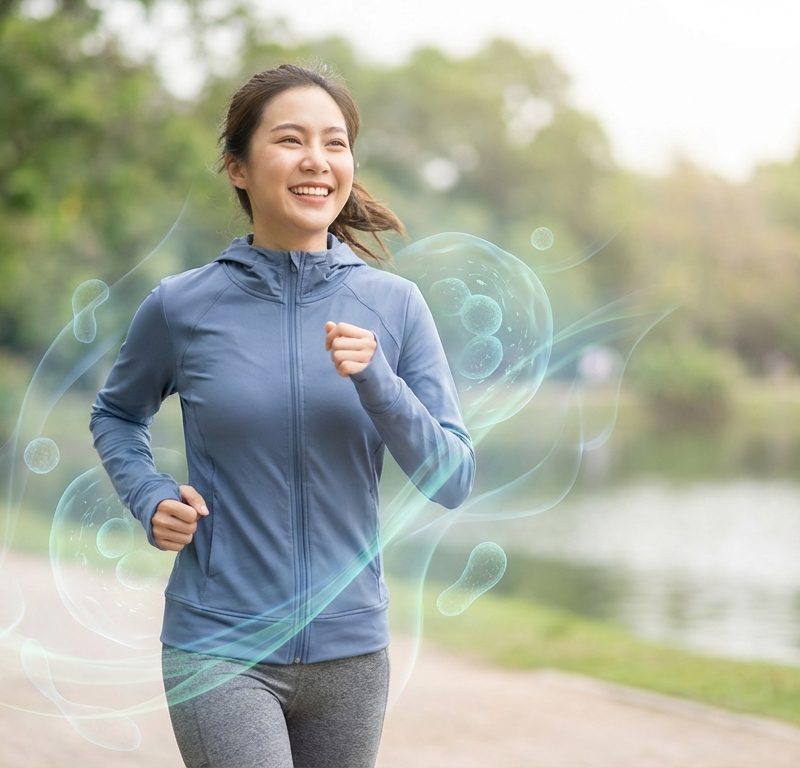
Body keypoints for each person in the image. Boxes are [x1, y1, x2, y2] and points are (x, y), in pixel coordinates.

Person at [90, 62, 475, 768]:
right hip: (219, 645)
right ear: (238, 168)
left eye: (335, 143)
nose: (316, 161)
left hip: (351, 652)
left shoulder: (395, 308)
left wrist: (379, 382)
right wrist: (149, 497)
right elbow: (116, 414)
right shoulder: (183, 306)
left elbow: (452, 478)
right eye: (290, 140)